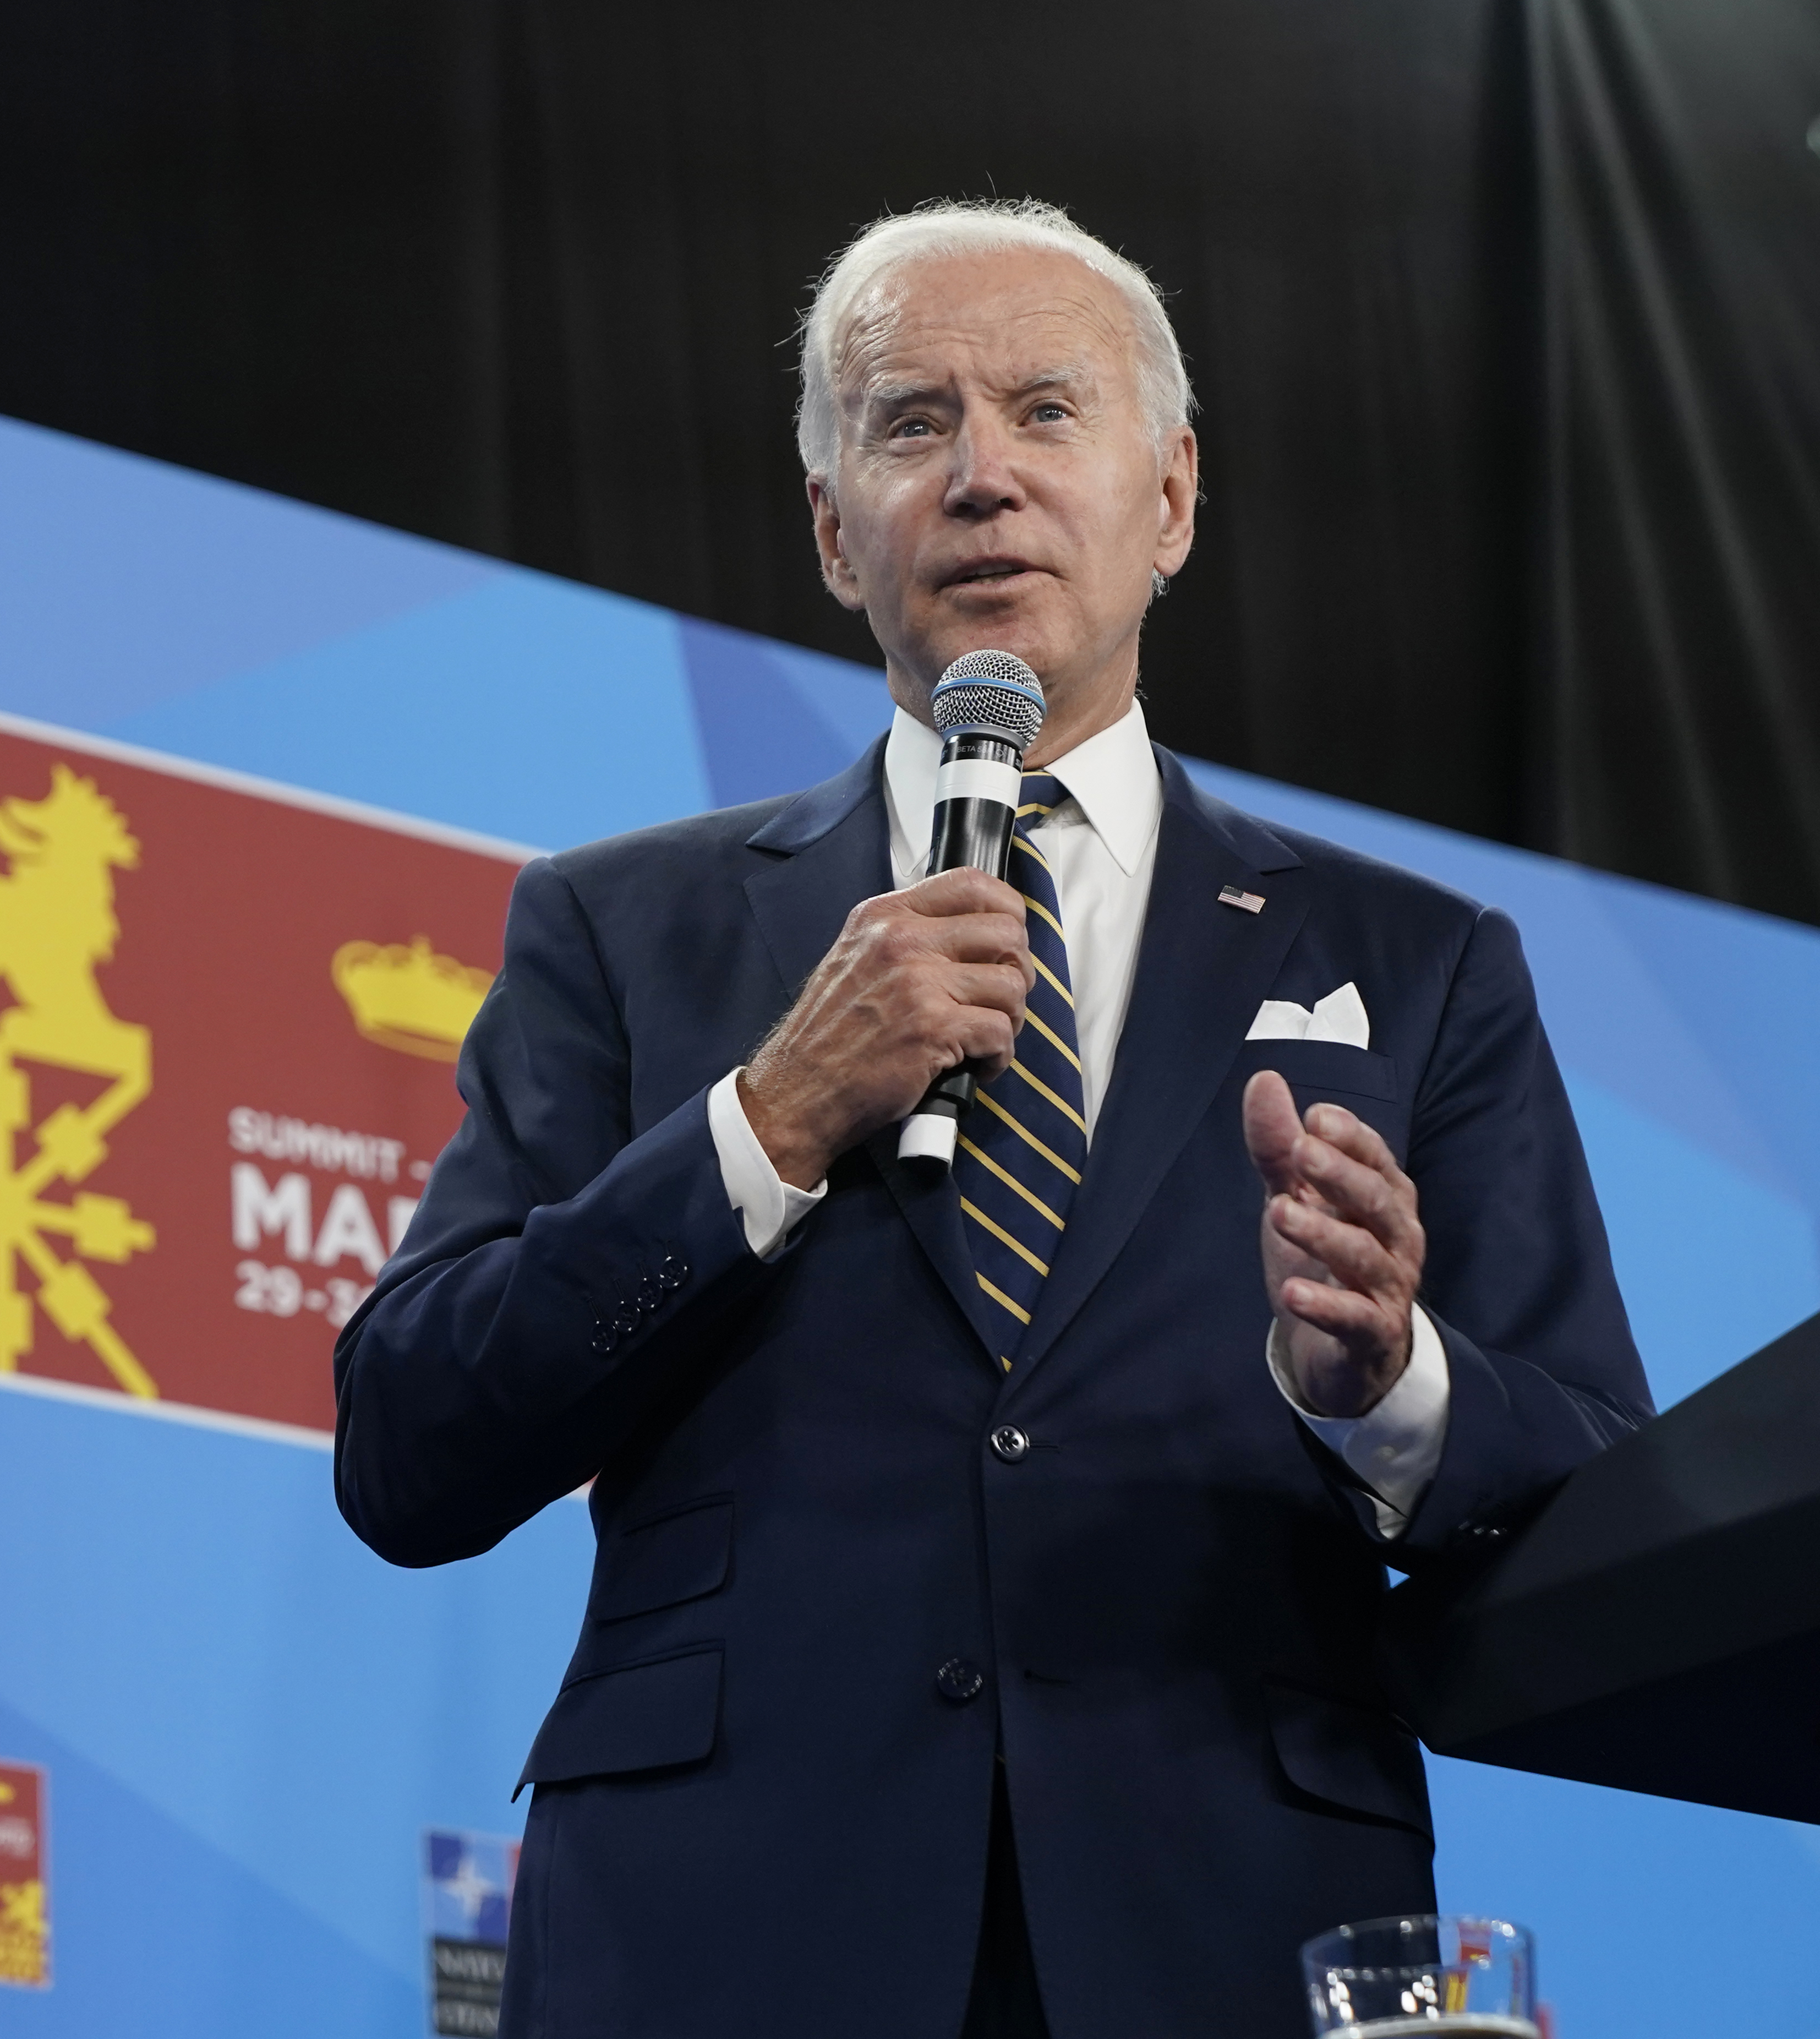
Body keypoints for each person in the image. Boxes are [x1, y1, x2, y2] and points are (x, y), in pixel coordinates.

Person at [331, 199, 1650, 2038]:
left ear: (1169, 499)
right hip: (727, 1927)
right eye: (906, 424)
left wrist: (1391, 1389)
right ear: (827, 530)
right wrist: (772, 1120)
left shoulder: (1414, 962)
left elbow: (1601, 1492)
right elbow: (406, 1447)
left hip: (1227, 1919)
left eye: (1045, 411)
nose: (979, 479)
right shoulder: (621, 927)